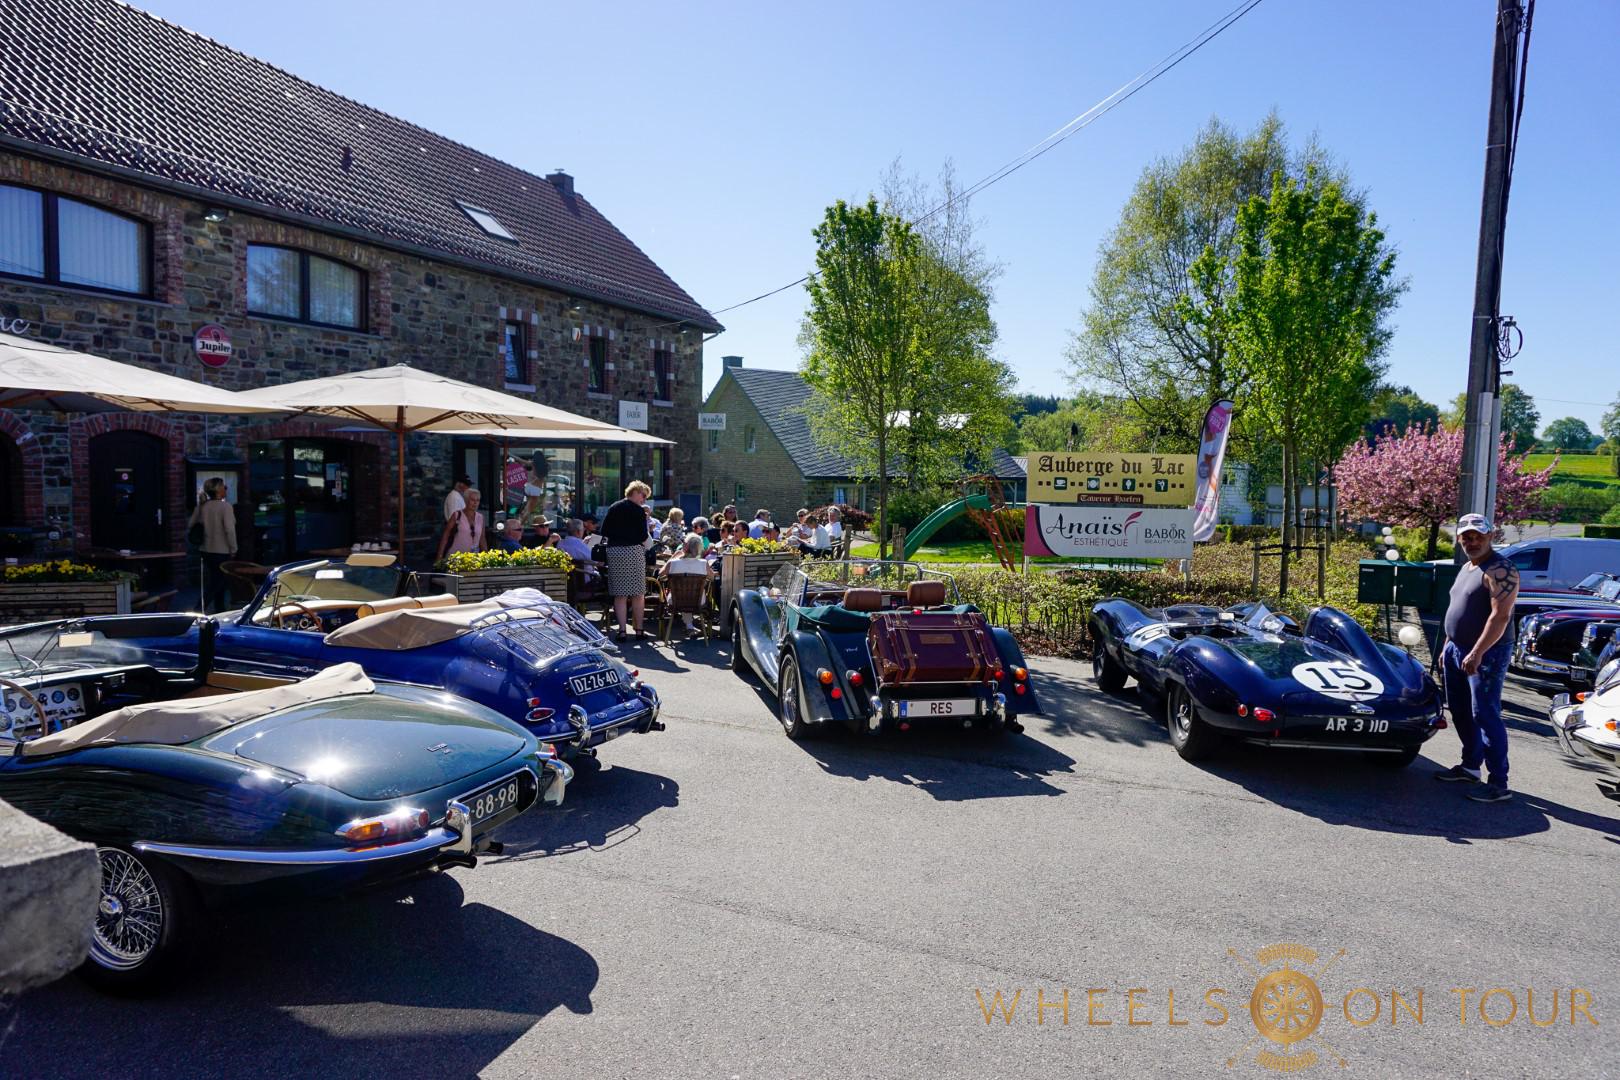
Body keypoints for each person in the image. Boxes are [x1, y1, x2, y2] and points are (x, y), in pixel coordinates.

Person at [1435, 513, 1520, 802]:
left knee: (1485, 713)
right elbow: (1458, 608)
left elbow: (1500, 617)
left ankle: (1498, 783)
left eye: (1478, 536)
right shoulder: (1468, 566)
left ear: (1490, 536)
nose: (1472, 542)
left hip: (1487, 653)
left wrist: (1477, 652)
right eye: (1466, 537)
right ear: (1459, 539)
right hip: (1457, 649)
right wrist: (1448, 645)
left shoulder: (1500, 569)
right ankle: (1471, 766)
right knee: (1460, 710)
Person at [602, 480, 654, 641]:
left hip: (615, 552)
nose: (644, 500)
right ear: (636, 492)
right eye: (643, 496)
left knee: (620, 595)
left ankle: (622, 631)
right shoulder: (638, 511)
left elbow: (605, 530)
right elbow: (643, 536)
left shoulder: (614, 507)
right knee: (638, 594)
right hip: (633, 552)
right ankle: (639, 630)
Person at [190, 477, 237, 614]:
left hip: (205, 549)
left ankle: (219, 608)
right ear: (218, 490)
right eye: (224, 487)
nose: (226, 489)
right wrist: (233, 548)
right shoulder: (225, 507)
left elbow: (191, 524)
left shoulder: (202, 507)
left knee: (217, 579)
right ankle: (199, 608)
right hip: (222, 550)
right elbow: (230, 530)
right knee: (218, 581)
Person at [661, 533, 711, 635]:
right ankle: (689, 626)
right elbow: (713, 577)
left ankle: (689, 626)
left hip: (675, 600)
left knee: (683, 595)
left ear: (686, 546)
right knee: (689, 595)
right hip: (698, 600)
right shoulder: (704, 563)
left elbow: (660, 574)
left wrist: (673, 557)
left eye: (683, 542)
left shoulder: (673, 563)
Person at [436, 487, 487, 562]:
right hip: (455, 558)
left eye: (477, 500)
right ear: (466, 500)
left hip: (473, 560)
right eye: (472, 500)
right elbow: (445, 536)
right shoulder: (456, 515)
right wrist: (439, 557)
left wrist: (486, 556)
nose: (475, 503)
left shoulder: (481, 518)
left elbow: (482, 539)